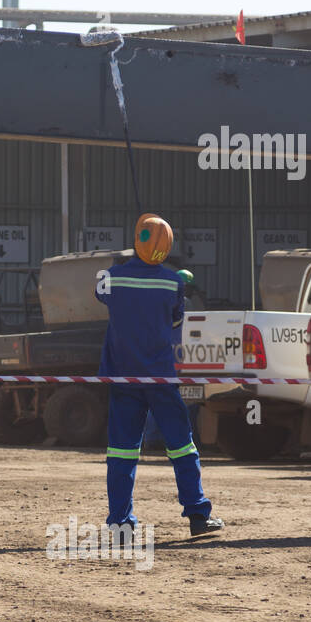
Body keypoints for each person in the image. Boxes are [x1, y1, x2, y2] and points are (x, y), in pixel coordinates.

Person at [96, 214, 223, 538]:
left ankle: (121, 524)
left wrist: (123, 264)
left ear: (137, 241)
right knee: (181, 446)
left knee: (122, 452)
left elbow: (99, 291)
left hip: (123, 378)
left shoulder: (113, 278)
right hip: (160, 379)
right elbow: (176, 323)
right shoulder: (172, 283)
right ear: (167, 248)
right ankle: (197, 516)